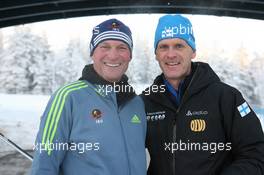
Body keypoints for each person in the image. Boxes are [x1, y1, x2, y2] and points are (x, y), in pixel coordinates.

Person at [141, 14, 264, 175]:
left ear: (193, 52)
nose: (171, 54)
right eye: (163, 46)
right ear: (156, 54)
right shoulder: (144, 102)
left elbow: (256, 154)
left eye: (179, 45)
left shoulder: (226, 98)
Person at [31, 18, 147, 175]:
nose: (113, 56)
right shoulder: (68, 97)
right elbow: (44, 165)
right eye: (104, 46)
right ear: (93, 52)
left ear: (130, 56)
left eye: (122, 48)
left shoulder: (137, 103)